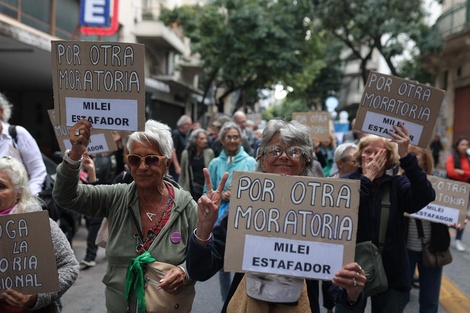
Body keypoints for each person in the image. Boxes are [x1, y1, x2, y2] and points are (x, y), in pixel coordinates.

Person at [187, 119, 367, 313]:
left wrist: (352, 292)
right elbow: (201, 270)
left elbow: (336, 287)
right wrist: (204, 228)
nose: (284, 157)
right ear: (262, 160)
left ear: (305, 160)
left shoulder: (324, 212)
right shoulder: (246, 206)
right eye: (275, 151)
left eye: (294, 151)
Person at [53, 119, 198, 313]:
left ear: (166, 164)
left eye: (152, 159)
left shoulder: (187, 206)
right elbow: (65, 196)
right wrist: (75, 153)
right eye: (135, 159)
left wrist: (184, 272)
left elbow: (204, 257)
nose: (143, 167)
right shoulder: (116, 196)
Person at [337, 124, 436, 313]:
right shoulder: (347, 182)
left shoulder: (397, 185)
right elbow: (343, 210)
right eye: (367, 152)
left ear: (389, 159)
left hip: (391, 271)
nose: (372, 157)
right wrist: (366, 179)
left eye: (379, 153)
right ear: (359, 155)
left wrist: (407, 157)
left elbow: (426, 195)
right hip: (350, 271)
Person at [0, 156, 79, 312]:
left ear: (18, 193)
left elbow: (69, 266)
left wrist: (36, 298)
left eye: (1, 186)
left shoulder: (36, 223)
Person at [206, 121, 257, 301]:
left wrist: (239, 194)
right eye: (229, 137)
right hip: (221, 218)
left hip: (244, 218)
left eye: (236, 137)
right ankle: (226, 302)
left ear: (241, 139)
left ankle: (242, 301)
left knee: (242, 260)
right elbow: (208, 192)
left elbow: (257, 193)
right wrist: (219, 195)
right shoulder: (214, 163)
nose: (233, 140)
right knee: (223, 263)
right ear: (222, 140)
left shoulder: (251, 162)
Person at [402, 145, 451, 313]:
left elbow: (449, 210)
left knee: (430, 300)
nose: (409, 156)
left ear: (425, 156)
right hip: (405, 247)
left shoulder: (439, 179)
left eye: (414, 154)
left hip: (432, 246)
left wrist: (454, 220)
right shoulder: (398, 179)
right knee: (399, 297)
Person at [0, 92, 46, 196]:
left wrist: (28, 200)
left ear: (1, 111)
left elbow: (38, 171)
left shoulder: (17, 134)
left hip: (21, 206)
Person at [445, 135, 470, 252]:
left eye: (466, 145)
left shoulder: (468, 159)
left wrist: (462, 172)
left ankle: (458, 239)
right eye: (462, 145)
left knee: (462, 216)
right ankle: (445, 236)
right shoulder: (452, 158)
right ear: (457, 146)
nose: (465, 147)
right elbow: (451, 172)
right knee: (448, 214)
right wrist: (465, 173)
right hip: (453, 190)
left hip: (465, 192)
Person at [179, 128, 215, 201]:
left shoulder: (209, 152)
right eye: (201, 139)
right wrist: (180, 190)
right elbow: (182, 174)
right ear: (194, 140)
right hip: (191, 188)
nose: (205, 141)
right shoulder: (186, 154)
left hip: (205, 188)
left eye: (205, 138)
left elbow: (213, 172)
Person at [169, 115, 193, 181]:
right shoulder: (176, 134)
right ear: (183, 124)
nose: (190, 127)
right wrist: (177, 167)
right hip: (175, 167)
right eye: (189, 124)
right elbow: (173, 150)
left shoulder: (186, 135)